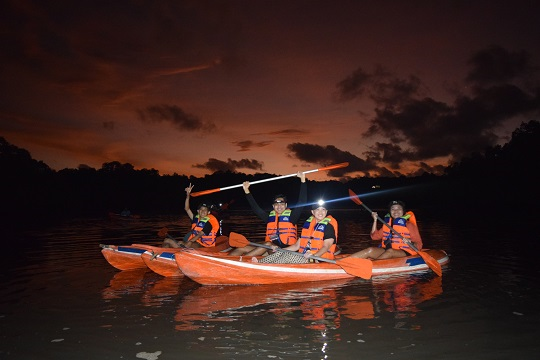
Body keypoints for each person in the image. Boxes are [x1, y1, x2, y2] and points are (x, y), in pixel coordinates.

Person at [228, 172, 307, 256]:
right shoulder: (270, 218)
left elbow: (302, 201)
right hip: (272, 250)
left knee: (267, 244)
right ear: (273, 206)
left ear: (286, 205)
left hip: (286, 252)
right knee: (242, 248)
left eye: (282, 204)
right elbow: (256, 209)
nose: (279, 206)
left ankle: (241, 262)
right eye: (276, 204)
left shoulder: (292, 217)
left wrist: (303, 180)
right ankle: (225, 263)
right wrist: (246, 190)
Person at [255, 199, 338, 263]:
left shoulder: (328, 227)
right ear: (313, 212)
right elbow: (296, 246)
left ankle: (264, 266)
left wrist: (313, 256)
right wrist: (280, 250)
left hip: (318, 259)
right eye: (317, 209)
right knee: (282, 252)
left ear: (326, 212)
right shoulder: (308, 226)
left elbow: (326, 247)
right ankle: (260, 263)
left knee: (288, 257)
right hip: (305, 256)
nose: (320, 212)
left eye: (323, 209)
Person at [349, 200, 422, 260]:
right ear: (390, 212)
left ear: (403, 211)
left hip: (405, 252)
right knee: (370, 250)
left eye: (399, 209)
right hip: (387, 250)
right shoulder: (387, 224)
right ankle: (343, 262)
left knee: (390, 251)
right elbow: (374, 237)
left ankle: (372, 265)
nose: (396, 211)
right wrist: (375, 220)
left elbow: (419, 245)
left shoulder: (409, 225)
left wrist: (410, 242)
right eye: (393, 209)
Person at [162, 183, 220, 248]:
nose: (203, 211)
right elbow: (187, 209)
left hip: (204, 246)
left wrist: (190, 242)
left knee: (179, 243)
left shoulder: (210, 222)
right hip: (195, 242)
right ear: (198, 211)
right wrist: (188, 195)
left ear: (208, 212)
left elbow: (200, 234)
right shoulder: (195, 218)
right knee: (166, 240)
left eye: (205, 210)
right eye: (201, 209)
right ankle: (161, 254)